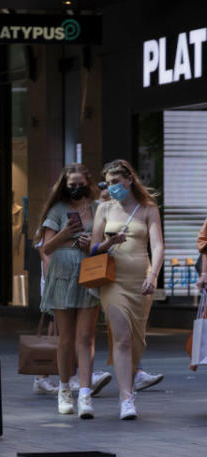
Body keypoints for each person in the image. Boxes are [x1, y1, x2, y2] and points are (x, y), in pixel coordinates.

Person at [90, 159, 164, 419]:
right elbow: (93, 248)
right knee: (121, 338)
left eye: (116, 182)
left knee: (137, 341)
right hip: (113, 283)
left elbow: (157, 246)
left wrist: (153, 276)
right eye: (108, 183)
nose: (112, 188)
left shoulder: (148, 209)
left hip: (141, 282)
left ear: (129, 179)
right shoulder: (104, 209)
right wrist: (110, 243)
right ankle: (126, 399)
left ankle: (129, 387)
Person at [36, 163, 102, 418]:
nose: (76, 188)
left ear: (88, 182)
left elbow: (104, 245)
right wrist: (66, 232)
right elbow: (47, 247)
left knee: (85, 338)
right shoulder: (58, 210)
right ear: (64, 186)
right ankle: (64, 390)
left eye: (80, 184)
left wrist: (91, 246)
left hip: (89, 274)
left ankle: (85, 393)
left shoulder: (97, 209)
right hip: (63, 275)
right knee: (66, 338)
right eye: (71, 185)